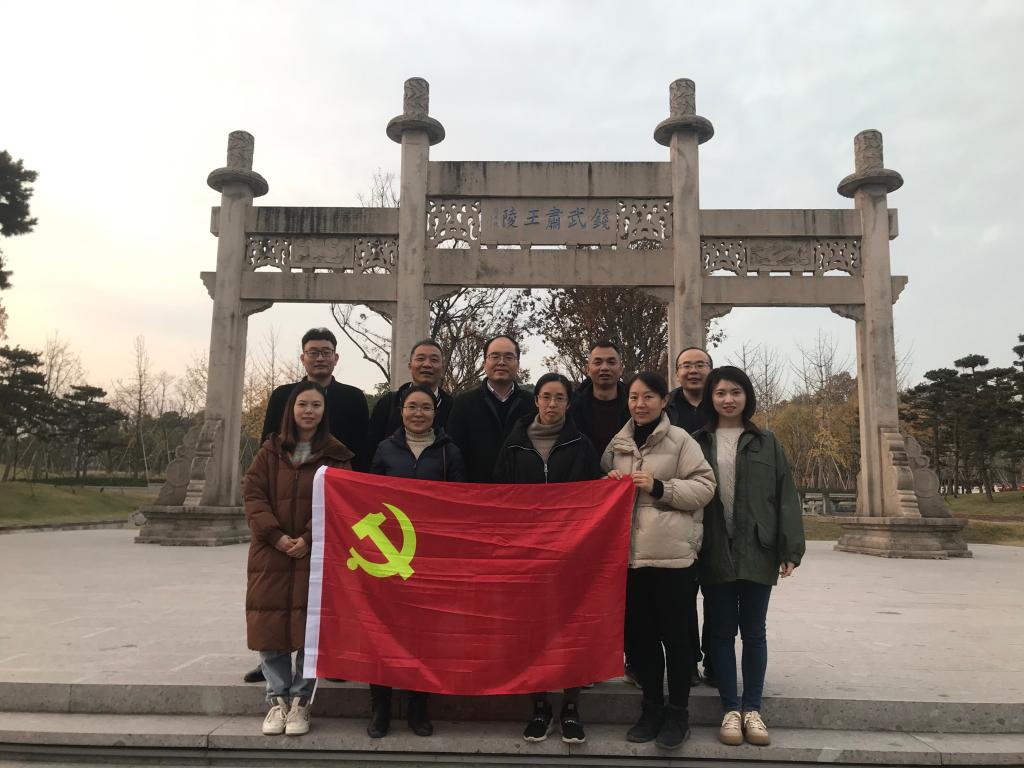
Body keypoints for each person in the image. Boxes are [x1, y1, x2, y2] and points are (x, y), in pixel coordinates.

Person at [245, 327, 369, 685]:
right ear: (302, 357)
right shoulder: (283, 395)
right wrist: (273, 530)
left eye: (326, 351)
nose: (320, 357)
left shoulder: (353, 398)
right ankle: (272, 664)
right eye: (313, 351)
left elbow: (362, 450)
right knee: (274, 596)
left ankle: (330, 658)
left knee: (326, 594)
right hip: (282, 512)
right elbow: (267, 454)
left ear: (336, 357)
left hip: (332, 509)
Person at [692, 366, 805, 748]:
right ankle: (730, 708)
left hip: (758, 547)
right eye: (720, 392)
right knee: (721, 632)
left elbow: (785, 495)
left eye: (735, 392)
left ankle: (752, 709)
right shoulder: (697, 442)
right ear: (711, 398)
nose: (728, 399)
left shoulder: (766, 442)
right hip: (714, 549)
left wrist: (790, 548)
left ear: (747, 397)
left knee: (754, 631)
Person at [603, 372, 716, 750]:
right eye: (634, 397)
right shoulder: (617, 444)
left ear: (664, 400)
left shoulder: (681, 440)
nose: (640, 404)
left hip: (672, 559)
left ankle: (678, 712)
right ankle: (651, 707)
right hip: (630, 560)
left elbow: (705, 487)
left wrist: (659, 487)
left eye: (649, 396)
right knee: (642, 639)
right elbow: (599, 486)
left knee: (677, 640)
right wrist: (608, 482)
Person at [493, 373, 604, 745]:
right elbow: (499, 496)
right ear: (536, 400)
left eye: (559, 397)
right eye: (546, 396)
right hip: (526, 554)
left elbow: (595, 496)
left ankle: (571, 706)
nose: (552, 404)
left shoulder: (581, 444)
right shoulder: (514, 445)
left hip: (572, 553)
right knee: (533, 629)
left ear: (568, 403)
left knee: (572, 626)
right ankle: (539, 706)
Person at [243, 381, 354, 737]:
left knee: (312, 627)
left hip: (316, 552)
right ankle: (277, 699)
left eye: (316, 405)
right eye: (303, 404)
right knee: (269, 623)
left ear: (324, 411)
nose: (309, 411)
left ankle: (301, 702)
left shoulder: (337, 455)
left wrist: (308, 537)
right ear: (291, 409)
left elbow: (341, 502)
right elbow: (253, 495)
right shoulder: (270, 452)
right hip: (270, 552)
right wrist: (275, 535)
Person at [365, 383, 467, 738]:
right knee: (382, 631)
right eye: (412, 407)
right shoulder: (385, 449)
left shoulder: (449, 451)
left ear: (435, 413)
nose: (418, 413)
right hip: (389, 556)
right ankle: (380, 707)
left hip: (430, 557)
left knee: (422, 634)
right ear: (401, 411)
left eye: (425, 407)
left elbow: (460, 502)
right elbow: (367, 499)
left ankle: (417, 707)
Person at [665, 345, 716, 687]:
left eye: (700, 365)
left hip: (716, 513)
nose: (693, 371)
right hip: (677, 509)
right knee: (681, 597)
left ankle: (715, 660)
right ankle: (686, 662)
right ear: (676, 373)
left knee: (716, 594)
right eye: (686, 365)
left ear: (710, 370)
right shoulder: (665, 409)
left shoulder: (723, 403)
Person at [445, 335, 537, 483]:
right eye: (495, 356)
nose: (501, 362)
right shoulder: (464, 403)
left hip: (522, 491)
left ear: (518, 364)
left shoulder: (533, 404)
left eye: (509, 357)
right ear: (484, 363)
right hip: (476, 491)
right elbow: (453, 454)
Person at [366, 339, 454, 457]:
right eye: (420, 358)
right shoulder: (388, 403)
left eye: (434, 360)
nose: (427, 364)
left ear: (442, 368)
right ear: (410, 366)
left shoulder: (454, 407)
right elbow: (371, 449)